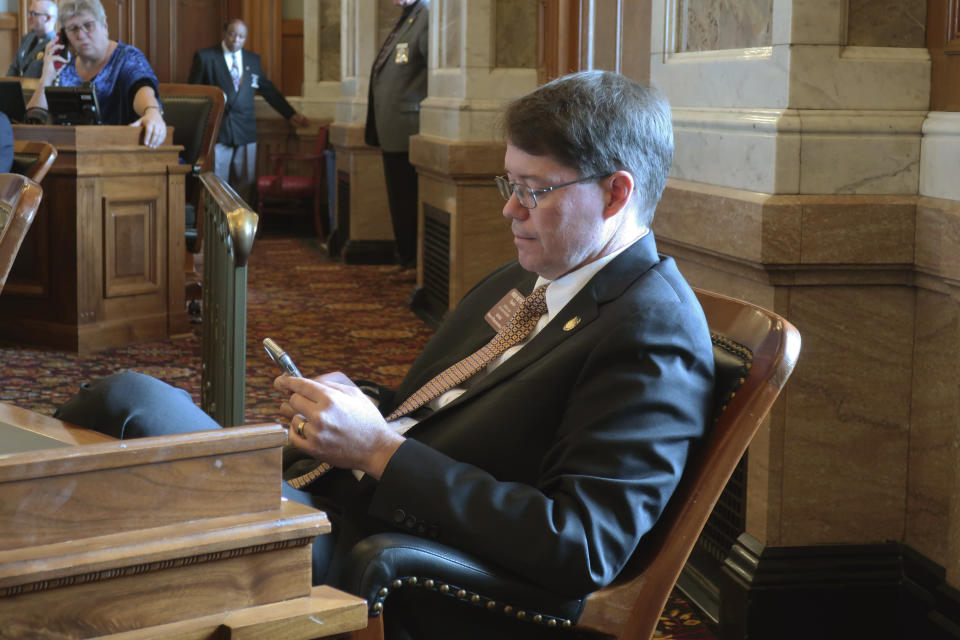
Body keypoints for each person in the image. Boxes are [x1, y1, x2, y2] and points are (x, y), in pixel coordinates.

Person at [54, 71, 715, 639]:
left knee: (129, 407)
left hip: (405, 568)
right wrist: (361, 404)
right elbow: (450, 403)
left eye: (536, 190)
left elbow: (580, 544)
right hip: (347, 507)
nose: (512, 209)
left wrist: (377, 450)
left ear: (616, 194)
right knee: (125, 449)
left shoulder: (651, 329)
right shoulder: (533, 276)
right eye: (507, 183)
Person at [188, 19, 309, 204]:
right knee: (217, 184)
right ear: (225, 32)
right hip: (219, 131)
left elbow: (268, 90)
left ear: (246, 38)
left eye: (241, 36)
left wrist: (290, 114)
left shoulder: (252, 60)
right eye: (232, 34)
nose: (236, 40)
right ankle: (219, 231)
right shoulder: (206, 57)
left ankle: (240, 230)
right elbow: (195, 94)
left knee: (245, 183)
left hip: (245, 131)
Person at [25, 0, 166, 148]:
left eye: (88, 26)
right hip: (73, 154)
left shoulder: (127, 58)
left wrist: (151, 111)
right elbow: (33, 124)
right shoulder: (64, 67)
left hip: (123, 150)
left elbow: (142, 88)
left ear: (104, 26)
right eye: (73, 29)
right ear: (65, 37)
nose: (81, 35)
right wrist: (46, 78)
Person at [365, 0, 429, 269]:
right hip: (391, 128)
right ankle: (405, 259)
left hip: (408, 128)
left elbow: (435, 70)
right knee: (399, 199)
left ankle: (412, 263)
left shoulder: (424, 14)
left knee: (406, 201)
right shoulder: (407, 16)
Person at [6, 0, 58, 78]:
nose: (29, 17)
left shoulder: (54, 44)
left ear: (47, 18)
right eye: (29, 13)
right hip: (18, 88)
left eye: (34, 14)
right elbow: (14, 68)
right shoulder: (27, 38)